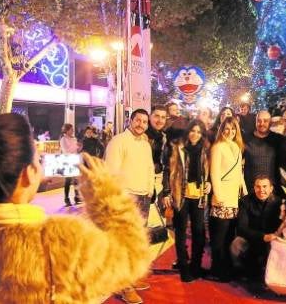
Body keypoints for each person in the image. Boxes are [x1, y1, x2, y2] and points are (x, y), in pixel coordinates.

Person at [0, 113, 151, 304]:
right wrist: (106, 194)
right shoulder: (59, 243)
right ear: (28, 174)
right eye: (38, 159)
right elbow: (132, 256)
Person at [104, 108, 155, 303]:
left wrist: (150, 190)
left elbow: (150, 168)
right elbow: (111, 173)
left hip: (143, 196)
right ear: (130, 120)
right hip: (126, 199)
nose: (141, 124)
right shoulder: (118, 141)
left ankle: (131, 279)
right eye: (138, 120)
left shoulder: (145, 144)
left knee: (136, 244)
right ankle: (124, 286)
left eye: (144, 121)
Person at [161, 120, 211, 282]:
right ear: (188, 131)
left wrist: (208, 183)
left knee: (199, 232)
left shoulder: (205, 149)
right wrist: (167, 192)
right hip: (180, 194)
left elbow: (207, 171)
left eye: (199, 132)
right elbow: (168, 171)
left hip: (198, 195)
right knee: (181, 231)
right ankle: (184, 267)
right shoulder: (177, 147)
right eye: (193, 131)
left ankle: (195, 266)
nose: (195, 134)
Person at [209, 116, 247, 282]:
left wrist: (244, 192)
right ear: (221, 129)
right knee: (219, 236)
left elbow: (239, 173)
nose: (230, 132)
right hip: (222, 197)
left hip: (234, 198)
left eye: (233, 129)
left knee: (229, 236)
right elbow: (214, 173)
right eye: (226, 129)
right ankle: (217, 269)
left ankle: (226, 267)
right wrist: (218, 195)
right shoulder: (218, 147)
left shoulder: (237, 148)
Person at [230, 175, 282, 279]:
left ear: (271, 188)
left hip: (271, 240)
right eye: (258, 187)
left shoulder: (278, 202)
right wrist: (262, 236)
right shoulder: (245, 201)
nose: (261, 190)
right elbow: (241, 228)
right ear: (254, 188)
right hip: (251, 238)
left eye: (264, 186)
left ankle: (270, 274)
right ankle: (240, 272)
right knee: (236, 244)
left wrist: (271, 237)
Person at [243, 110, 283, 194]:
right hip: (251, 188)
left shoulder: (278, 139)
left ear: (271, 123)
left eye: (265, 121)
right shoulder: (246, 138)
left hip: (272, 189)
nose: (262, 123)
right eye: (259, 121)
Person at [146, 106, 168, 198]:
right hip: (145, 185)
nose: (160, 120)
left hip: (159, 182)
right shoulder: (142, 136)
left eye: (163, 117)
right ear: (150, 116)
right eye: (157, 116)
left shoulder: (163, 137)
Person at [60, 123, 81, 206]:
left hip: (74, 160)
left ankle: (77, 197)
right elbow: (66, 151)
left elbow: (76, 150)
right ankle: (66, 198)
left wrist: (79, 147)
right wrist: (75, 147)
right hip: (67, 161)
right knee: (68, 181)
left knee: (76, 180)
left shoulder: (74, 139)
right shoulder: (63, 139)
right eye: (71, 129)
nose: (72, 131)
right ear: (67, 130)